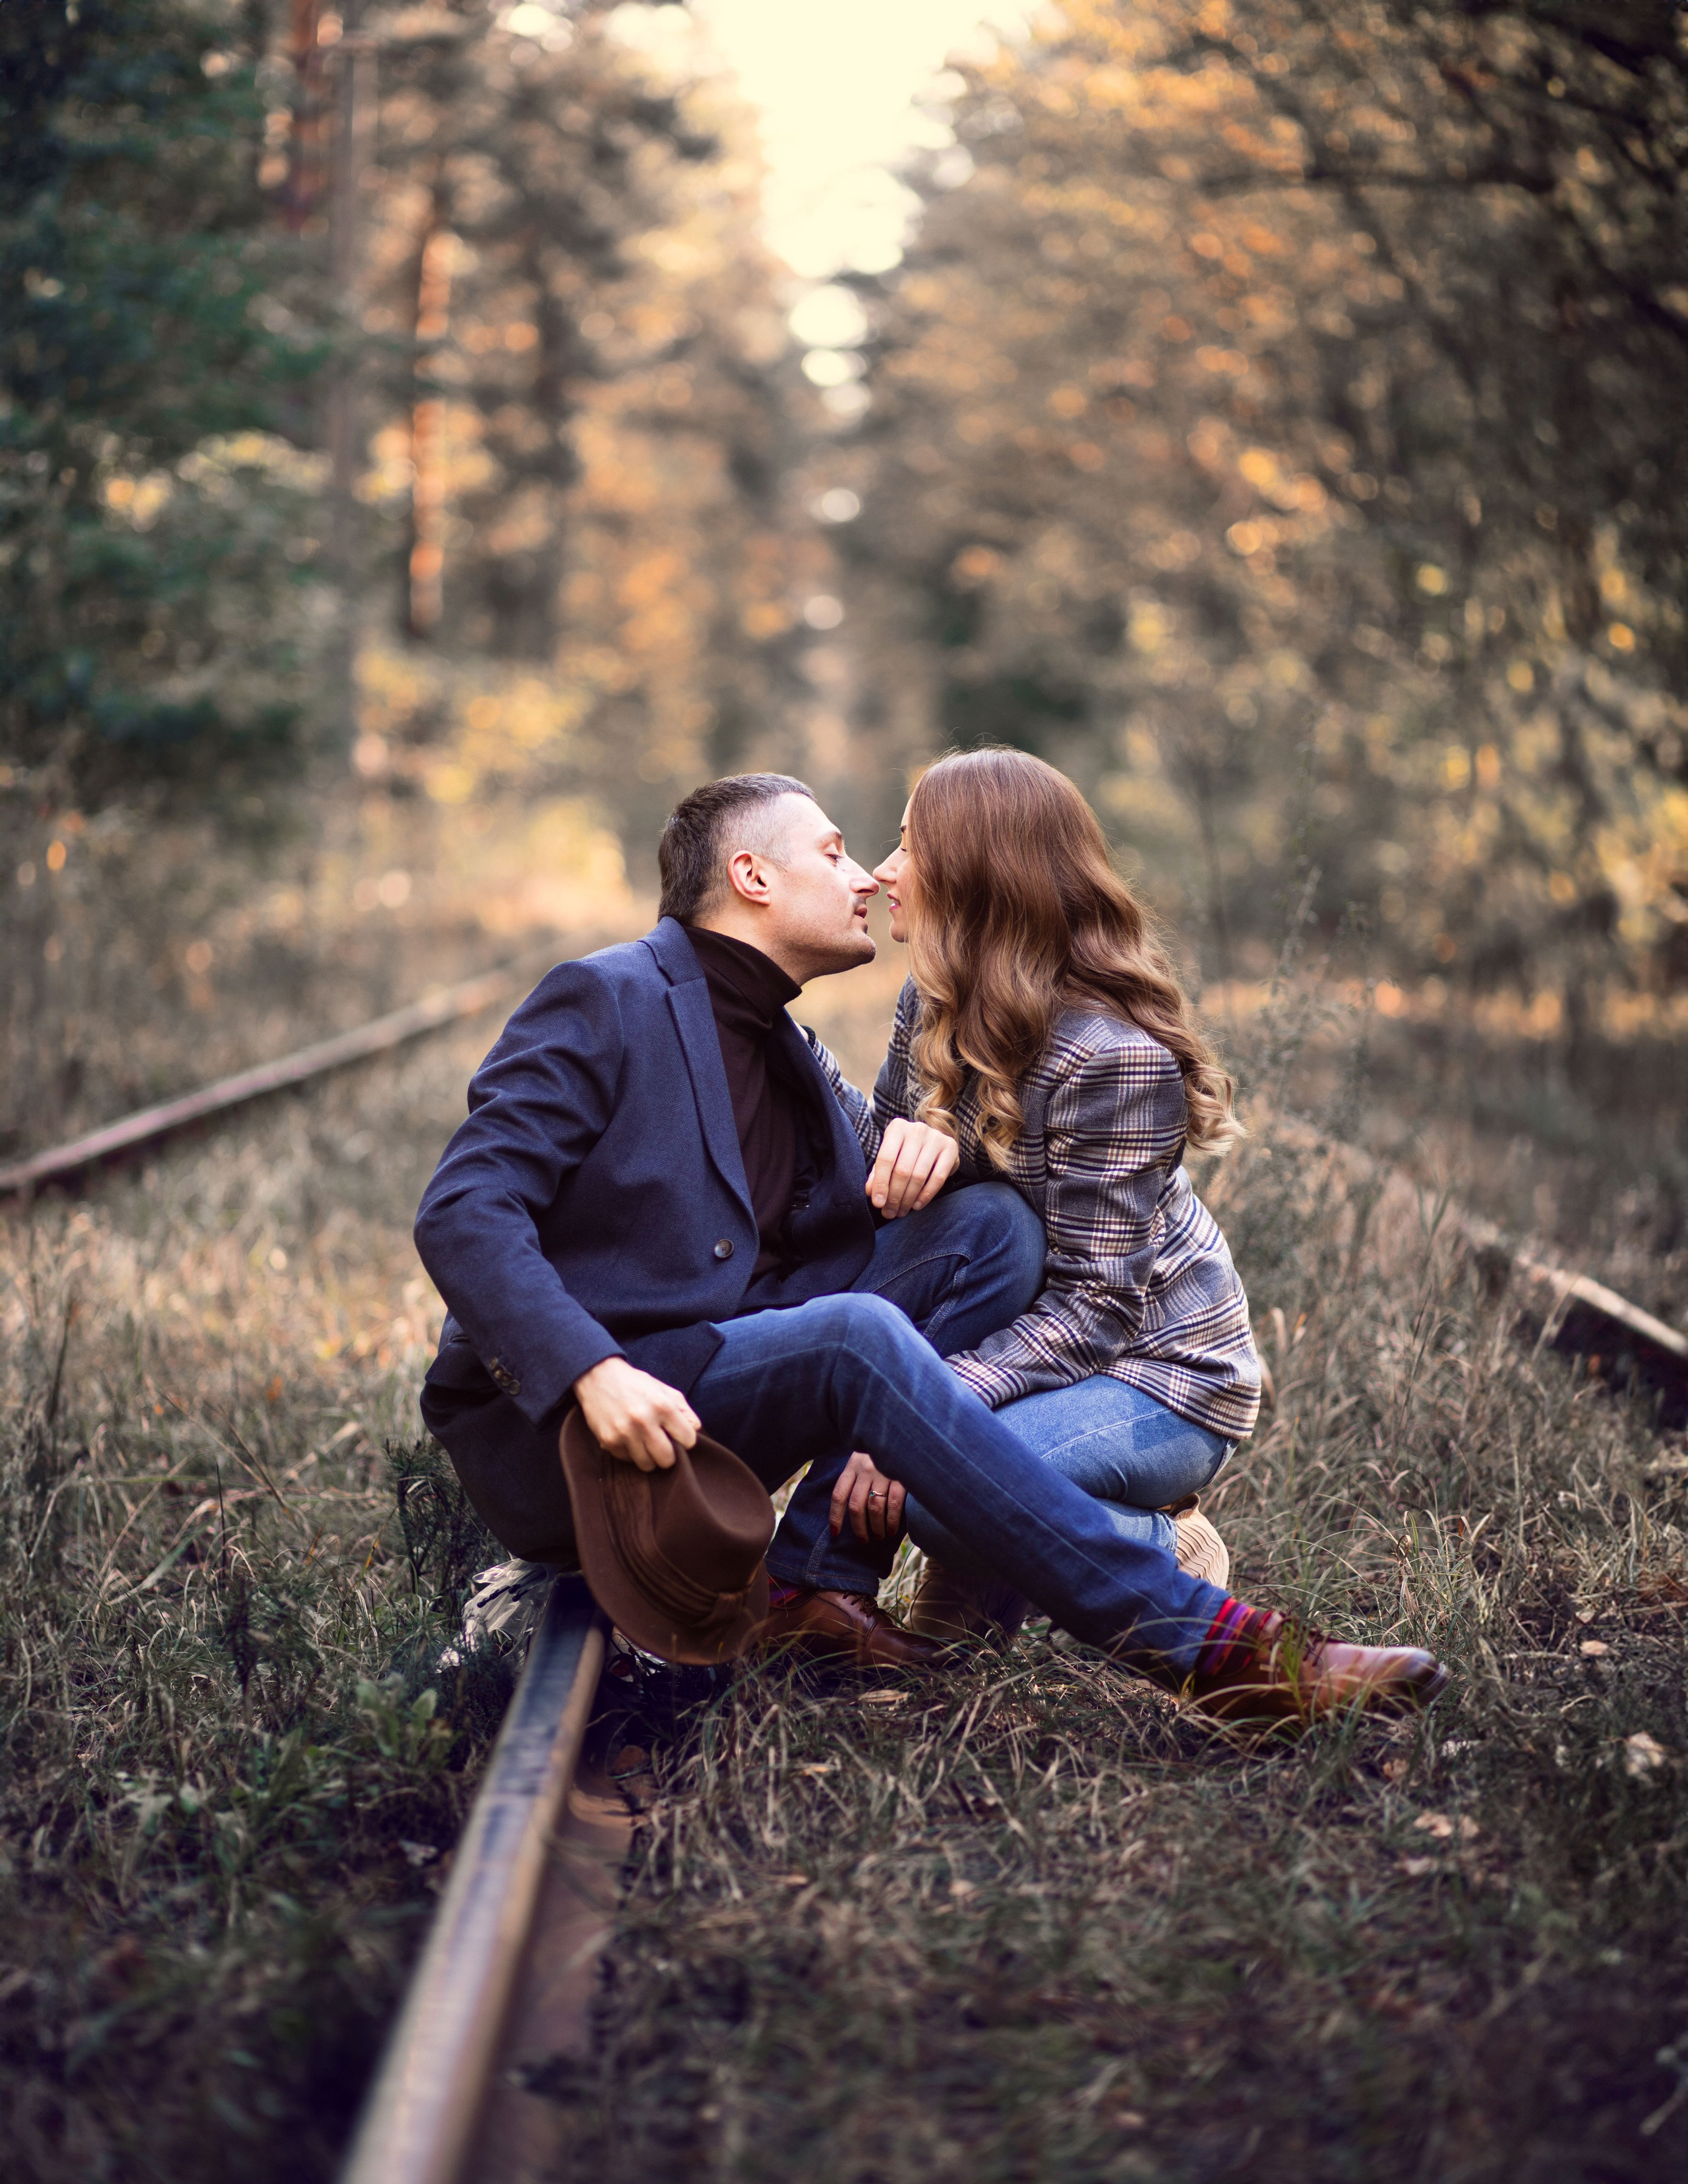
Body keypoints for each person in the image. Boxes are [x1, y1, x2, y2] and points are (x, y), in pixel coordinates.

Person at [415, 770, 1449, 1724]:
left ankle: (812, 1579)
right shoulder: (610, 997)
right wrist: (587, 1369)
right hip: (576, 1423)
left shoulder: (790, 1048)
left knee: (988, 1231)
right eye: (833, 853)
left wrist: (940, 1147)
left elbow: (897, 1208)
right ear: (752, 877)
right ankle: (1216, 1649)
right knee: (855, 1339)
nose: (866, 873)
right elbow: (463, 1207)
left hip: (706, 1372)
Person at [818, 749, 1262, 1643]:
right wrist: (817, 1070)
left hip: (1160, 1373)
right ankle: (976, 1595)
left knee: (942, 1488)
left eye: (911, 847)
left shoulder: (1114, 1057)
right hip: (1036, 1341)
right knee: (949, 1471)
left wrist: (919, 1409)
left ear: (980, 873)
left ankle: (1164, 1544)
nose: (885, 870)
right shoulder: (933, 998)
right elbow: (887, 1185)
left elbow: (1099, 1307)